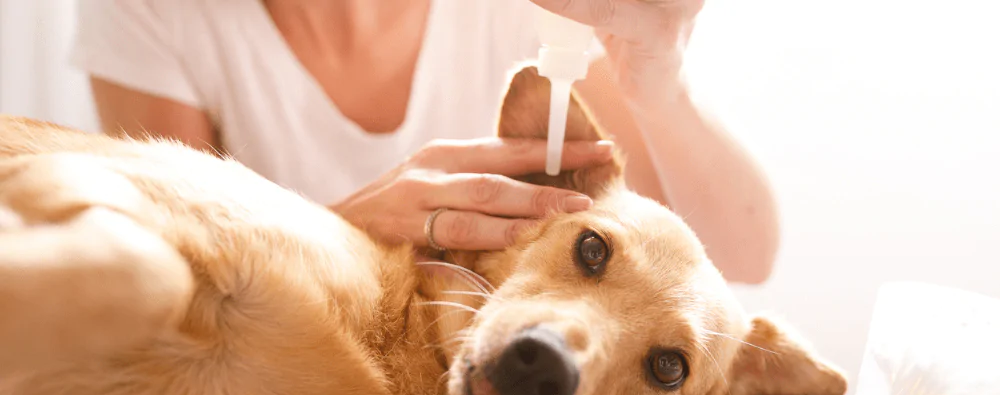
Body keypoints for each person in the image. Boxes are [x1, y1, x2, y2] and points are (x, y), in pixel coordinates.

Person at [71, 0, 779, 284]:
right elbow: (178, 292)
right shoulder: (151, 10)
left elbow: (744, 255)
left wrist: (664, 91)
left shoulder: (529, 11)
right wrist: (346, 236)